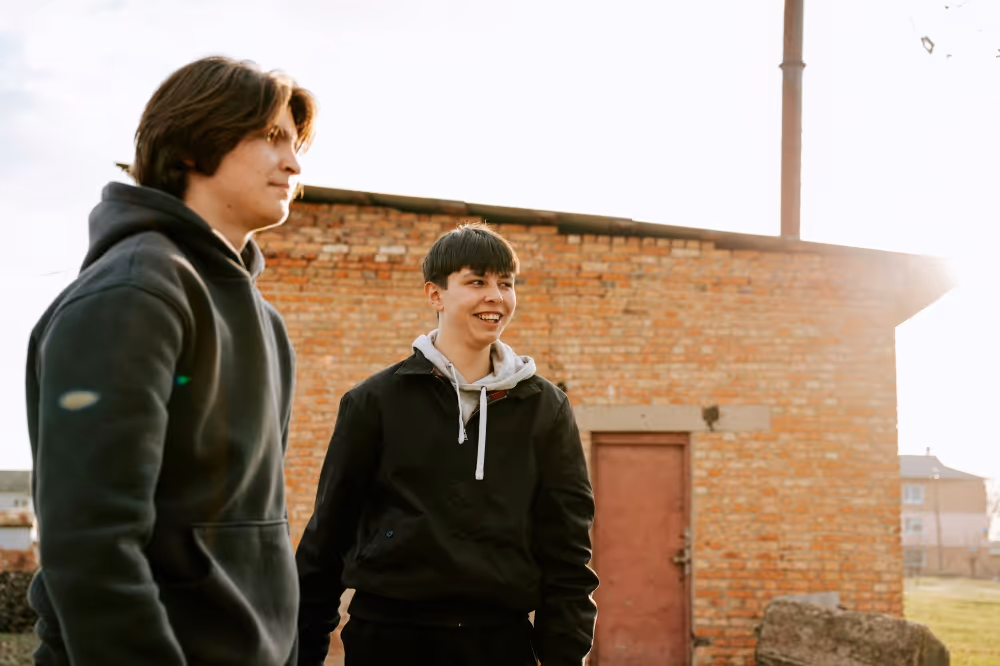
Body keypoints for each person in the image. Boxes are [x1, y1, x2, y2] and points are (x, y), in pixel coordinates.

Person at [25, 56, 316, 666]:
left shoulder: (266, 322)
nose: (293, 162)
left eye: (296, 144)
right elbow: (91, 546)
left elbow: (259, 534)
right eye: (269, 138)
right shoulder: (134, 293)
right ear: (190, 147)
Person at [296, 223, 599, 666]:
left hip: (499, 643)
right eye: (477, 281)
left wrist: (563, 657)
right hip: (388, 640)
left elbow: (568, 550)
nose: (496, 296)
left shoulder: (545, 408)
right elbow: (327, 539)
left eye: (506, 283)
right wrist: (302, 651)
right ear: (435, 295)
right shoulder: (373, 402)